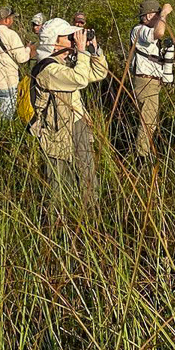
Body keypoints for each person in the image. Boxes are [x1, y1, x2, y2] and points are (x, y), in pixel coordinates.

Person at [29, 17, 109, 212]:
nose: (74, 40)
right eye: (69, 38)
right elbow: (80, 79)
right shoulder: (47, 69)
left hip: (76, 123)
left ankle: (91, 216)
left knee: (87, 174)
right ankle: (58, 225)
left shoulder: (63, 63)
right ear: (55, 42)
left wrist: (94, 50)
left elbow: (99, 73)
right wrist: (81, 51)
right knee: (59, 182)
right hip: (56, 132)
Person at [129, 0, 173, 158]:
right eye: (156, 13)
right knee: (147, 122)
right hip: (145, 82)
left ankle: (145, 152)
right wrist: (164, 14)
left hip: (152, 81)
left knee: (151, 121)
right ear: (147, 16)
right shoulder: (139, 30)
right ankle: (141, 157)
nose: (159, 17)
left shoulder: (145, 31)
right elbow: (159, 32)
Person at [0, 6, 33, 119]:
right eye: (12, 18)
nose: (12, 21)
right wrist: (28, 49)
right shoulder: (11, 34)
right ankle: (2, 135)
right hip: (8, 82)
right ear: (7, 19)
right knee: (6, 118)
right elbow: (22, 58)